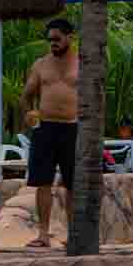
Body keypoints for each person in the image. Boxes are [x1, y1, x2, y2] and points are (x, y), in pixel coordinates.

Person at [22, 18, 79, 249]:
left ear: (69, 37)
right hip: (45, 128)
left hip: (73, 128)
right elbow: (26, 96)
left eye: (57, 39)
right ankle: (43, 234)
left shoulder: (82, 64)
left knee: (72, 184)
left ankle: (73, 234)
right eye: (49, 40)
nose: (52, 44)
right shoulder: (40, 65)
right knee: (42, 183)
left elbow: (96, 97)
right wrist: (29, 114)